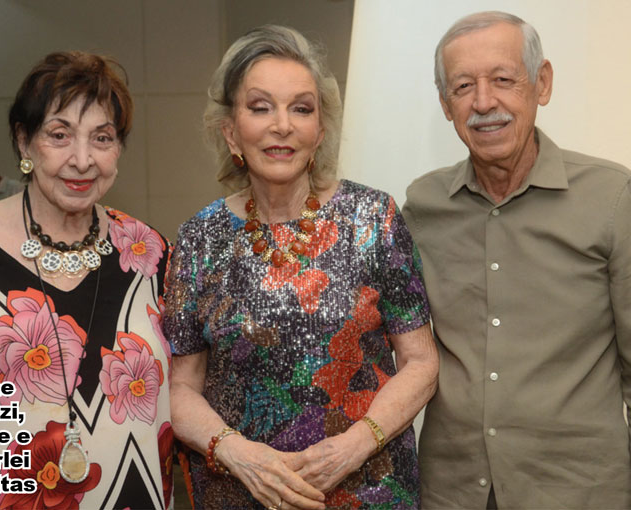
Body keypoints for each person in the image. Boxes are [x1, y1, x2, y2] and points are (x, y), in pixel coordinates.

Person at [403, 11, 631, 509]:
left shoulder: (613, 197)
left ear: (542, 83)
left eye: (503, 79)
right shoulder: (421, 209)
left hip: (579, 495)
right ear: (446, 105)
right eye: (463, 86)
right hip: (452, 495)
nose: (484, 102)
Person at [164, 25, 438, 510]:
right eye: (261, 106)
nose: (282, 125)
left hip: (368, 488)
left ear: (320, 130)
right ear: (230, 130)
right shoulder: (199, 238)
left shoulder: (372, 218)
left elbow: (421, 362)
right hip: (241, 491)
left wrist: (353, 447)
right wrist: (241, 456)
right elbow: (182, 387)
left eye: (301, 108)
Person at [0, 51, 174, 509]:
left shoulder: (149, 253)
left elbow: (184, 393)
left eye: (102, 137)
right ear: (24, 142)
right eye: (59, 135)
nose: (82, 160)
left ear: (118, 149)